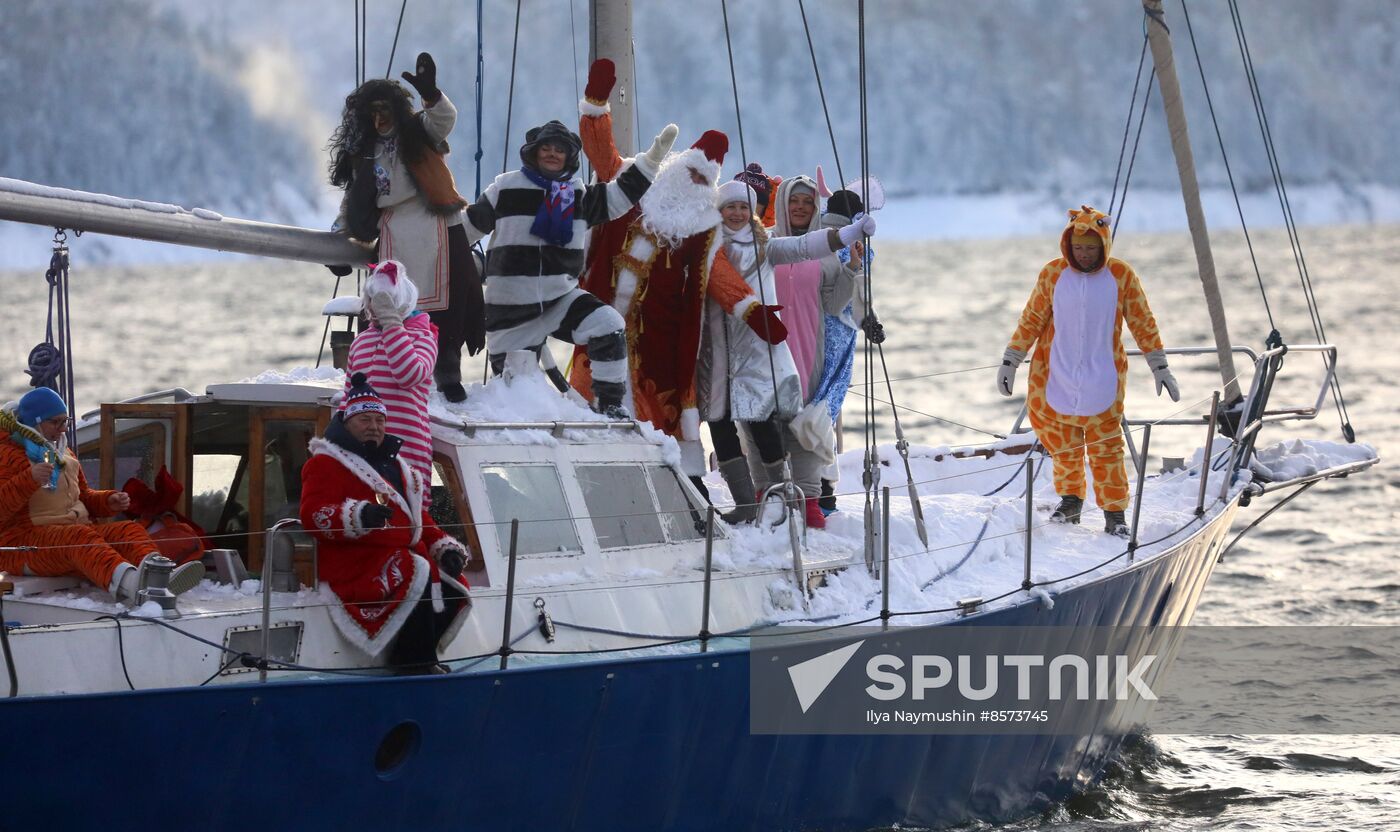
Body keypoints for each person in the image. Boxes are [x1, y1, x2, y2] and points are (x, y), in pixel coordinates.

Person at [568, 60, 788, 488]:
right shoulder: (635, 181)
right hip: (600, 322)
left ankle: (676, 487)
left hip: (662, 342)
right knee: (589, 401)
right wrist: (597, 104)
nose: (690, 181)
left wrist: (752, 311)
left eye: (700, 179)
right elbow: (601, 153)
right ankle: (590, 478)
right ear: (675, 166)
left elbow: (719, 274)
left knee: (657, 417)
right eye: (688, 171)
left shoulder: (702, 229)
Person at [460, 81, 677, 417]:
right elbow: (467, 228)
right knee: (515, 399)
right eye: (545, 147)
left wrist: (651, 161)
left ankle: (610, 407)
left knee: (609, 325)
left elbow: (620, 196)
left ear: (569, 157)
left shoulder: (577, 195)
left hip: (560, 298)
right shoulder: (506, 186)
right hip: (510, 310)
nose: (552, 153)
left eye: (559, 150)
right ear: (533, 152)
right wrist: (423, 235)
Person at [998, 205, 1180, 536]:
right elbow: (1032, 319)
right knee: (1063, 445)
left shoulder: (1120, 275)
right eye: (1078, 248)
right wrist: (1011, 359)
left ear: (1104, 246)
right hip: (1056, 374)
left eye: (1091, 249)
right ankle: (1070, 501)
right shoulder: (1052, 274)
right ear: (1068, 244)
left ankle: (1115, 513)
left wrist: (1159, 365)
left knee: (1107, 448)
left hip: (1103, 377)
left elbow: (1142, 320)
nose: (1083, 255)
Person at [703, 179, 871, 524]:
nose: (799, 206)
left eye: (807, 201)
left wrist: (851, 267)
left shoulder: (820, 255)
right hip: (760, 344)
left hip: (807, 343)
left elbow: (834, 303)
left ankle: (809, 497)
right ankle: (766, 492)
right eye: (792, 200)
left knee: (806, 421)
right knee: (757, 418)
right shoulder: (763, 241)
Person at [326, 52, 484, 403]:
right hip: (393, 229)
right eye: (373, 112)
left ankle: (447, 373)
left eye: (385, 110)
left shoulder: (418, 132)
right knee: (388, 305)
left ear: (397, 109)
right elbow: (354, 198)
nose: (380, 119)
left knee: (448, 307)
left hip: (438, 225)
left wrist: (431, 94)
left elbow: (444, 119)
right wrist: (341, 236)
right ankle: (383, 372)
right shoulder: (364, 152)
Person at [300, 374, 471, 673]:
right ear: (347, 422)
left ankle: (420, 650)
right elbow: (313, 514)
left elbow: (417, 517)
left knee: (453, 582)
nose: (374, 427)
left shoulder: (396, 466)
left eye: (379, 420)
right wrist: (358, 516)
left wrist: (443, 547)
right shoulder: (325, 463)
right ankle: (414, 662)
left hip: (398, 553)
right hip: (354, 559)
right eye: (365, 420)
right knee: (414, 570)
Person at [0, 387, 204, 604]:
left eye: (65, 422)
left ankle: (158, 578)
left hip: (71, 535)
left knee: (129, 529)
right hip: (24, 545)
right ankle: (131, 586)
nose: (62, 430)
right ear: (35, 422)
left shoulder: (62, 451)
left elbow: (84, 496)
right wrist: (28, 479)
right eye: (55, 422)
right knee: (79, 539)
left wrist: (108, 500)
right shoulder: (8, 454)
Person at [346, 259, 436, 501]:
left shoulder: (424, 337)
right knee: (365, 510)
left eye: (383, 302)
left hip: (407, 447)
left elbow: (408, 374)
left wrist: (391, 323)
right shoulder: (361, 342)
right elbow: (349, 400)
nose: (375, 309)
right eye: (374, 302)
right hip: (363, 449)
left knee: (407, 511)